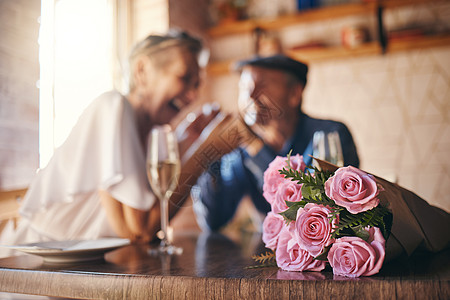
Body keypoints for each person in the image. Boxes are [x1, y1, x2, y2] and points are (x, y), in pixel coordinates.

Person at [0, 30, 221, 256]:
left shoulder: (147, 137)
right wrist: (206, 150)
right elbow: (139, 231)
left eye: (197, 84)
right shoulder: (113, 106)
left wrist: (186, 144)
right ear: (142, 71)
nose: (194, 95)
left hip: (80, 270)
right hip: (32, 265)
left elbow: (145, 228)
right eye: (184, 78)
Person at [192, 54, 360, 231]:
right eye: (245, 87)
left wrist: (255, 147)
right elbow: (213, 219)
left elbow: (312, 211)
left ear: (294, 94)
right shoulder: (240, 150)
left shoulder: (330, 136)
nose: (250, 95)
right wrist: (208, 151)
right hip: (266, 255)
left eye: (262, 85)